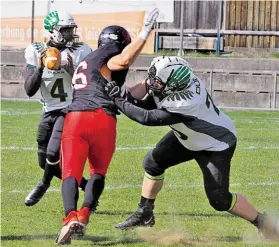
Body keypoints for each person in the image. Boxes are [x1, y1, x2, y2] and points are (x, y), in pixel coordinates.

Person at [105, 56, 279, 241]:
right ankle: (144, 214)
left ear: (173, 85)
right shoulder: (174, 81)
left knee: (219, 200)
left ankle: (264, 223)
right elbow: (145, 91)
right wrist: (124, 95)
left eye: (158, 81)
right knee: (153, 163)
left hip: (215, 144)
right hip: (188, 136)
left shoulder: (186, 101)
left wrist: (119, 100)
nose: (152, 82)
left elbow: (147, 117)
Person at [55, 8, 159, 245]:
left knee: (70, 173)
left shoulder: (87, 60)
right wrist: (145, 32)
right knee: (97, 173)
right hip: (102, 119)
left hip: (75, 119)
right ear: (121, 42)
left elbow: (113, 89)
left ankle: (71, 217)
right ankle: (84, 215)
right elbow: (122, 60)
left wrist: (144, 85)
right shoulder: (111, 53)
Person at [24, 10, 92, 207]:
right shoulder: (36, 50)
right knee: (44, 161)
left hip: (71, 109)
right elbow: (29, 90)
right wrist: (39, 68)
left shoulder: (81, 50)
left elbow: (91, 85)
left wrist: (74, 73)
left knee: (53, 154)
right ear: (52, 32)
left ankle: (43, 184)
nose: (71, 34)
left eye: (72, 29)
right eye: (65, 30)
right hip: (49, 110)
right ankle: (87, 185)